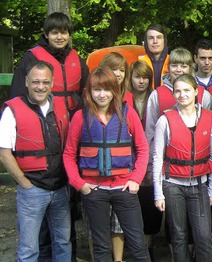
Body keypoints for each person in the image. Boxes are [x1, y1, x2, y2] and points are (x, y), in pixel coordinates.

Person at [62, 67, 150, 262]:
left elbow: (143, 149)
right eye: (97, 90)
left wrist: (136, 179)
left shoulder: (128, 114)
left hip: (124, 188)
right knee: (101, 247)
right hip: (94, 191)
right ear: (89, 91)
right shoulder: (80, 117)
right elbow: (69, 154)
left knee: (138, 245)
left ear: (114, 90)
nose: (102, 95)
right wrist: (80, 184)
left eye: (107, 89)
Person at [0, 61, 71, 261]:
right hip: (32, 189)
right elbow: (4, 153)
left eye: (45, 82)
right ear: (26, 82)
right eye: (36, 82)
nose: (41, 86)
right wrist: (25, 184)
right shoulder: (12, 110)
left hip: (60, 187)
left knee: (63, 242)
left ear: (52, 83)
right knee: (29, 247)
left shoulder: (60, 106)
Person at [152, 74, 212, 262]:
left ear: (196, 91)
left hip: (200, 185)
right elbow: (158, 158)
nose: (182, 95)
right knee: (179, 235)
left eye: (187, 90)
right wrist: (158, 193)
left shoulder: (209, 119)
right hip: (173, 185)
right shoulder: (165, 121)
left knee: (204, 236)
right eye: (178, 91)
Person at [10, 12, 89, 113]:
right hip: (44, 115)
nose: (59, 37)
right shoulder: (32, 57)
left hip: (73, 116)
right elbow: (18, 92)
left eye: (64, 33)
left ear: (69, 35)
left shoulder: (77, 59)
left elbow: (87, 89)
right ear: (46, 35)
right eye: (55, 33)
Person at [122, 60, 160, 259]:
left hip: (152, 157)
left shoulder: (156, 97)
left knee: (150, 204)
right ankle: (133, 246)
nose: (142, 81)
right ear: (131, 78)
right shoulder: (123, 98)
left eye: (146, 77)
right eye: (137, 77)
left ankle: (149, 247)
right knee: (131, 204)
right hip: (128, 158)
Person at [145, 47, 212, 149]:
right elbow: (150, 131)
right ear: (168, 67)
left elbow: (210, 129)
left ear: (190, 68)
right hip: (166, 156)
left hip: (197, 154)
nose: (178, 70)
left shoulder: (204, 95)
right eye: (174, 65)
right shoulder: (156, 95)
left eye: (183, 66)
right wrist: (151, 161)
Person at [98, 51, 131, 262]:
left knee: (119, 224)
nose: (118, 74)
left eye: (121, 70)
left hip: (122, 172)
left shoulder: (127, 98)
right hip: (96, 174)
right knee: (98, 226)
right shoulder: (92, 95)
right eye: (113, 69)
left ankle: (118, 260)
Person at [139, 24, 169, 88]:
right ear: (146, 42)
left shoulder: (173, 62)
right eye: (151, 38)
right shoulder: (141, 63)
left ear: (164, 40)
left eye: (159, 37)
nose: (155, 41)